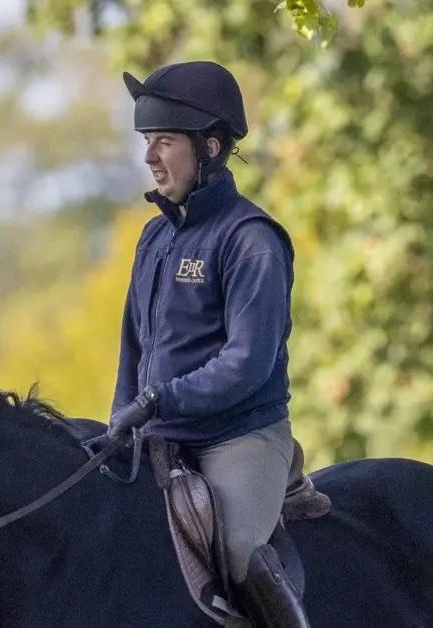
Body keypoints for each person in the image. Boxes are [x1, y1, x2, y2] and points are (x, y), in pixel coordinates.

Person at [107, 61, 310, 627]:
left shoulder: (252, 241)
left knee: (240, 550)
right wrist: (120, 419)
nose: (150, 156)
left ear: (211, 147)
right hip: (158, 434)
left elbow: (246, 364)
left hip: (238, 437)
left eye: (165, 141)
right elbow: (133, 347)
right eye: (148, 141)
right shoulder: (153, 237)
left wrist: (157, 402)